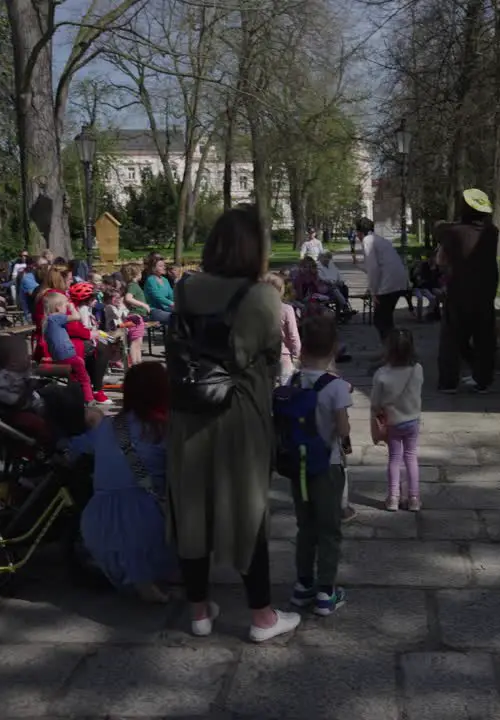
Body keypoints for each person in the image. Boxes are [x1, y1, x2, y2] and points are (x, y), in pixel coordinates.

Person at [165, 204, 301, 642]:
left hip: (189, 411)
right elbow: (267, 355)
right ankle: (261, 615)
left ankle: (199, 611)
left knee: (192, 506)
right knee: (247, 510)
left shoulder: (185, 290)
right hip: (239, 413)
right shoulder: (262, 297)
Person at [72, 361, 180, 602]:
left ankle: (137, 573)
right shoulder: (164, 431)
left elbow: (78, 446)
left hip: (97, 522)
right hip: (146, 521)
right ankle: (158, 569)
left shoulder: (108, 426)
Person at [275, 313, 351, 615]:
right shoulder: (336, 386)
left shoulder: (291, 379)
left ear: (302, 348)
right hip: (327, 466)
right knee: (329, 529)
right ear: (334, 348)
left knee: (305, 527)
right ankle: (326, 592)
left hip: (297, 467)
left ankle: (303, 585)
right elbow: (343, 430)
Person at [436, 188, 500, 393]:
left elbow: (441, 260)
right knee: (484, 337)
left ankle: (448, 381)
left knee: (451, 337)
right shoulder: (492, 232)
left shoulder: (453, 232)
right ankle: (483, 380)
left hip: (460, 290)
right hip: (485, 290)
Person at [371, 329, 424, 511]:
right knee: (411, 457)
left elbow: (376, 402)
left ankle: (393, 498)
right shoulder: (417, 369)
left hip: (393, 422)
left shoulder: (381, 374)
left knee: (394, 458)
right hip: (412, 421)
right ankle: (414, 498)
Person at [357, 217, 410, 350]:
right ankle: (394, 350)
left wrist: (374, 292)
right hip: (399, 280)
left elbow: (373, 269)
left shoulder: (368, 241)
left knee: (380, 320)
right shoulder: (380, 240)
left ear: (359, 232)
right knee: (386, 319)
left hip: (389, 284)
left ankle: (393, 353)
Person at [41, 292, 96, 405]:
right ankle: (89, 400)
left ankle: (75, 396)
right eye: (65, 306)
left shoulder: (47, 320)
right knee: (84, 377)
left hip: (58, 356)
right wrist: (72, 308)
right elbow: (77, 317)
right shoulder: (57, 317)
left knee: (75, 374)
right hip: (67, 354)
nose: (67, 308)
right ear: (57, 307)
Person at [264, 273, 300, 384]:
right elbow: (293, 335)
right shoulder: (287, 309)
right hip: (284, 356)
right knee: (285, 390)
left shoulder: (257, 309)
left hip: (264, 357)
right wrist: (296, 355)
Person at [141, 254, 175, 325]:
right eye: (160, 266)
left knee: (185, 314)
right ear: (153, 268)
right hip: (154, 310)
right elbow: (158, 296)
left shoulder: (165, 280)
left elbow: (171, 294)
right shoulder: (151, 280)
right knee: (174, 318)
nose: (164, 267)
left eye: (164, 265)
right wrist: (171, 303)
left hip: (166, 308)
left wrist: (177, 303)